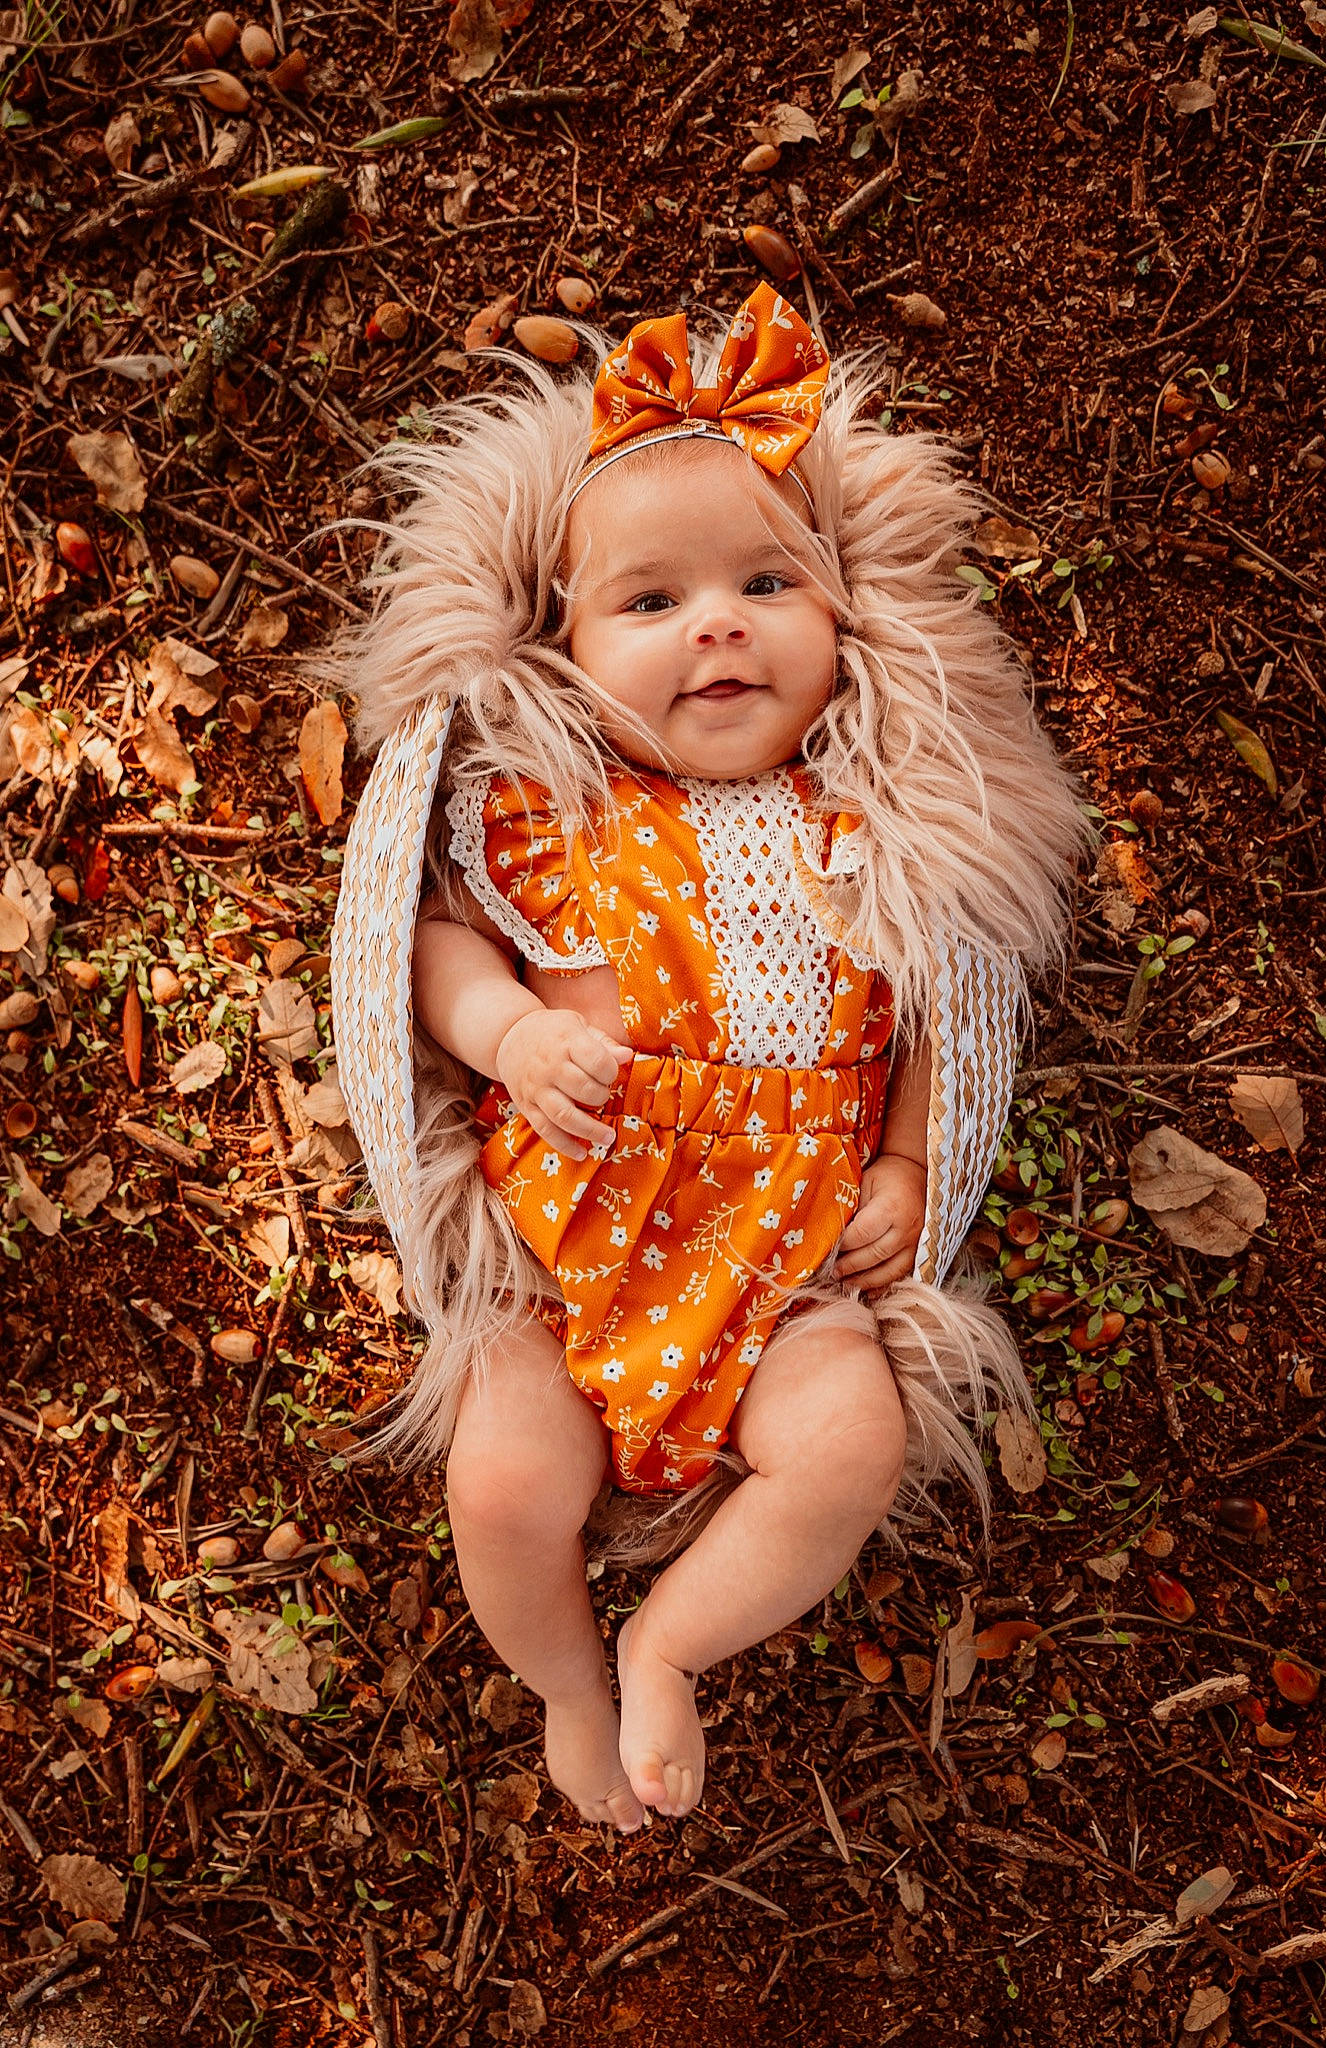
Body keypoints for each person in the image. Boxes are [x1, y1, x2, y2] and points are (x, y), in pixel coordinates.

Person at [328, 284, 1085, 1835]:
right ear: (565, 647)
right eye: (651, 603)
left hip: (786, 1269)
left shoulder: (873, 826)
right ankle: (566, 1683)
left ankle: (670, 1643)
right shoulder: (547, 807)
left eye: (764, 582)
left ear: (840, 624)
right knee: (503, 1482)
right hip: (566, 1258)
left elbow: (945, 1015)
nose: (718, 624)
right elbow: (433, 947)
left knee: (849, 1434)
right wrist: (511, 1031)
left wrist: (900, 1163)